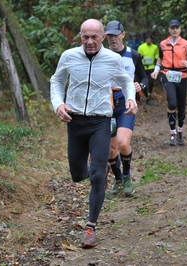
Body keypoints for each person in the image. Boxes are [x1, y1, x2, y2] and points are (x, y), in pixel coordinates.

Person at [50, 18, 138, 248]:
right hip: (75, 120)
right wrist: (58, 104)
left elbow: (126, 81)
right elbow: (57, 81)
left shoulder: (112, 59)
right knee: (78, 174)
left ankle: (90, 227)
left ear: (102, 37)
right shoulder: (68, 56)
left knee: (98, 176)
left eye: (94, 37)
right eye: (85, 37)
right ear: (80, 36)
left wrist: (130, 98)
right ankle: (98, 169)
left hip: (101, 121)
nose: (90, 41)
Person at [104, 20, 149, 197]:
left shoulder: (134, 55)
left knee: (123, 143)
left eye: (116, 35)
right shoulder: (101, 55)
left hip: (125, 102)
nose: (113, 38)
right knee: (111, 149)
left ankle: (127, 175)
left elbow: (144, 77)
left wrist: (140, 86)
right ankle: (118, 180)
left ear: (123, 34)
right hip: (106, 104)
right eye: (109, 35)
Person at [150, 19, 187, 146]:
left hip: (182, 76)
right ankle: (172, 133)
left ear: (180, 29)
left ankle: (180, 131)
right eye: (172, 28)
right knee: (172, 103)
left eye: (177, 28)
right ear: (169, 30)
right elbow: (160, 59)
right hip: (167, 75)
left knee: (181, 108)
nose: (175, 30)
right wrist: (156, 70)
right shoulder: (163, 44)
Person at [138, 34, 159, 99]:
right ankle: (146, 95)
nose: (148, 40)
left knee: (151, 82)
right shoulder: (141, 47)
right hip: (143, 67)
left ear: (152, 40)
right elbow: (138, 56)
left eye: (150, 39)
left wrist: (156, 64)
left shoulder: (155, 47)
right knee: (144, 82)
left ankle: (149, 93)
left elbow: (157, 56)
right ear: (145, 40)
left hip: (151, 67)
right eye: (147, 39)